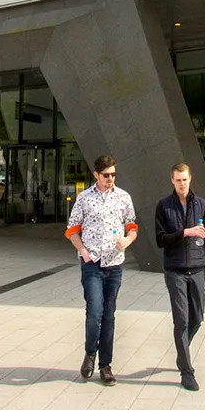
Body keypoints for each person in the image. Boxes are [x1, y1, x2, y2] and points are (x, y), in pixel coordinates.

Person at [64, 154, 137, 386]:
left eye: (114, 174)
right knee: (95, 311)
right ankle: (89, 353)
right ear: (96, 175)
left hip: (114, 264)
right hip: (92, 263)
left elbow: (132, 225)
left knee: (108, 315)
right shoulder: (84, 198)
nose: (111, 179)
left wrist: (128, 240)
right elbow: (72, 229)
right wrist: (83, 252)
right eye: (106, 175)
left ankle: (105, 366)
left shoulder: (123, 197)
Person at [154, 163, 205, 392]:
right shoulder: (164, 206)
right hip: (175, 270)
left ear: (191, 179)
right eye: (178, 180)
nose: (182, 184)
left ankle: (182, 353)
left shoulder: (201, 205)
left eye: (185, 180)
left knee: (197, 318)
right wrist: (185, 233)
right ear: (172, 180)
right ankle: (187, 372)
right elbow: (160, 239)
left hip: (198, 269)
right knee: (181, 319)